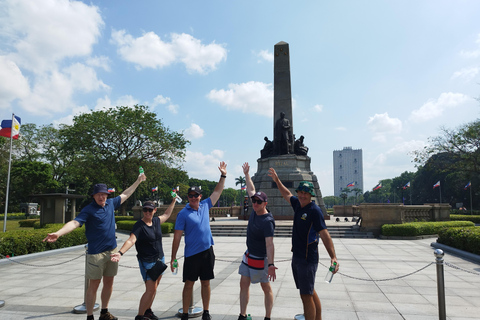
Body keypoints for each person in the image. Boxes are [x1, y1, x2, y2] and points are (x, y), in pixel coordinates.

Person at [43, 173, 146, 320]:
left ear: (106, 195)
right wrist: (58, 233)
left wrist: (138, 181)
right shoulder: (88, 209)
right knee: (94, 285)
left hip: (112, 251)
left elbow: (126, 194)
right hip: (95, 254)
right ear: (93, 196)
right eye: (98, 195)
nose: (101, 197)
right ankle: (90, 316)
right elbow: (74, 223)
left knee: (109, 283)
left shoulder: (111, 204)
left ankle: (104, 312)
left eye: (103, 194)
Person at [268, 168, 339, 320]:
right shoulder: (298, 205)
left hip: (308, 258)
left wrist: (333, 257)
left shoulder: (315, 210)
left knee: (306, 296)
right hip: (298, 256)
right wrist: (277, 180)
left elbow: (324, 234)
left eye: (305, 193)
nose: (301, 196)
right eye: (300, 193)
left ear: (310, 195)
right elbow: (287, 194)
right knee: (309, 291)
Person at [171, 161, 227, 320]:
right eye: (191, 196)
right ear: (188, 197)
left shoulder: (205, 205)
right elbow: (176, 237)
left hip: (207, 251)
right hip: (192, 254)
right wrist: (173, 257)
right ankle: (185, 313)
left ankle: (206, 312)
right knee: (189, 284)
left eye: (196, 195)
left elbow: (217, 191)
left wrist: (223, 175)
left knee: (206, 282)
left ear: (200, 196)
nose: (194, 198)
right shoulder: (183, 214)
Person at [110, 196, 177, 320]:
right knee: (150, 290)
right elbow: (131, 240)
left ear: (154, 210)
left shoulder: (156, 221)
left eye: (150, 210)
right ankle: (140, 316)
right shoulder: (139, 226)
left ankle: (148, 311)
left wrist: (173, 201)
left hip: (159, 259)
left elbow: (167, 214)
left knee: (154, 287)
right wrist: (120, 253)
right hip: (147, 262)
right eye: (145, 210)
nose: (147, 212)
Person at [238, 162, 276, 320]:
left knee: (265, 288)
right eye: (254, 201)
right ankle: (242, 314)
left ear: (265, 203)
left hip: (260, 259)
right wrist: (247, 174)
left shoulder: (267, 221)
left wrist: (271, 264)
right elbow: (251, 190)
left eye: (258, 202)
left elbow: (269, 244)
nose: (255, 203)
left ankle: (267, 317)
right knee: (243, 284)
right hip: (248, 256)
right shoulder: (254, 210)